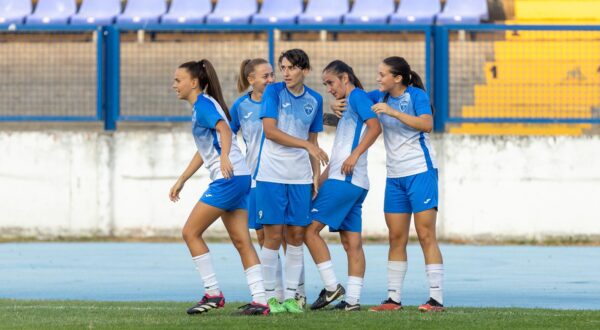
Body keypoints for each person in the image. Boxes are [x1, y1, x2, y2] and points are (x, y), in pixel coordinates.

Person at [332, 57, 445, 312]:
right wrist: (335, 104)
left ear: (398, 78)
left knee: (426, 235)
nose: (377, 78)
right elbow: (354, 99)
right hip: (395, 176)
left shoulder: (415, 95)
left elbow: (427, 124)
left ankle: (436, 299)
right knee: (396, 237)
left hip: (421, 172)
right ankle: (393, 299)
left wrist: (393, 112)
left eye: (382, 74)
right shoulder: (377, 95)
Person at [169, 59, 269, 316]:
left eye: (178, 80)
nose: (174, 85)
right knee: (241, 240)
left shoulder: (203, 105)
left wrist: (225, 157)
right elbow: (204, 149)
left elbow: (225, 130)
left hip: (229, 178)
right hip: (239, 176)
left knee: (190, 232)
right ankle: (261, 301)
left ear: (194, 83)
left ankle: (213, 293)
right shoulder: (203, 105)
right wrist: (182, 179)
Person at [254, 49, 329, 314]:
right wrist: (306, 147)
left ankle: (290, 298)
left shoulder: (315, 100)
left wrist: (314, 177)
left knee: (296, 235)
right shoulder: (273, 93)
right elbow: (270, 131)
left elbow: (313, 142)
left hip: (299, 178)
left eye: (291, 68)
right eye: (282, 67)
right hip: (271, 174)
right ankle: (269, 297)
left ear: (304, 71)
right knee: (273, 235)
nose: (285, 73)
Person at [304, 60, 381, 312]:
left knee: (308, 230)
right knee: (351, 243)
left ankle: (331, 287)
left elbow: (375, 127)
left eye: (331, 83)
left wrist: (355, 156)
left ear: (345, 78)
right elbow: (340, 153)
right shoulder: (351, 103)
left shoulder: (357, 96)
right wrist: (320, 180)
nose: (328, 88)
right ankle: (352, 302)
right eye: (325, 84)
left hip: (346, 180)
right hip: (353, 182)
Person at [230, 58, 306, 304]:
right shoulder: (241, 106)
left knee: (289, 236)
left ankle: (298, 294)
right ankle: (277, 296)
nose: (272, 79)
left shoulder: (282, 99)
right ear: (251, 80)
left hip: (283, 175)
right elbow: (225, 136)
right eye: (266, 76)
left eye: (273, 75)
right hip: (255, 179)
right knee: (265, 238)